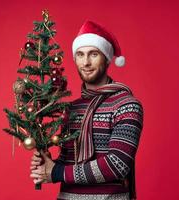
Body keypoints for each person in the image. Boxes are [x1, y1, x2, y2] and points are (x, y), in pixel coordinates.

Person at [30, 20, 144, 200]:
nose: (86, 62)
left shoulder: (126, 105)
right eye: (80, 55)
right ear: (74, 59)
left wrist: (57, 172)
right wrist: (49, 164)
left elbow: (117, 165)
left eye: (93, 54)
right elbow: (69, 160)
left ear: (106, 58)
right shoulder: (72, 108)